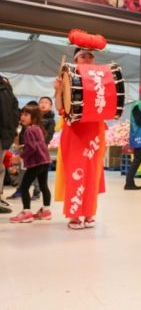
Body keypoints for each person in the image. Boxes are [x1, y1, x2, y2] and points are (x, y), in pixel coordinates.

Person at [53, 30, 109, 230]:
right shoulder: (68, 76)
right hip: (74, 132)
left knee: (92, 172)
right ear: (76, 59)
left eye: (90, 56)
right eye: (83, 55)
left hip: (94, 131)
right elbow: (60, 108)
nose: (87, 58)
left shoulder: (101, 77)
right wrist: (59, 90)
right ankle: (74, 215)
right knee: (76, 172)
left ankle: (89, 213)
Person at [9, 104, 52, 223]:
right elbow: (37, 144)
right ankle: (46, 210)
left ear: (34, 117)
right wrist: (25, 146)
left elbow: (32, 148)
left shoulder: (29, 130)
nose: (22, 117)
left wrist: (20, 157)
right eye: (22, 114)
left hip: (36, 163)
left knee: (24, 187)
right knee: (44, 186)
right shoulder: (37, 128)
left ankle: (26, 212)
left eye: (26, 114)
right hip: (44, 162)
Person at [0, 74, 20, 214]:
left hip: (4, 135)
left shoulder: (5, 84)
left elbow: (14, 106)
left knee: (0, 168)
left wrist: (13, 128)